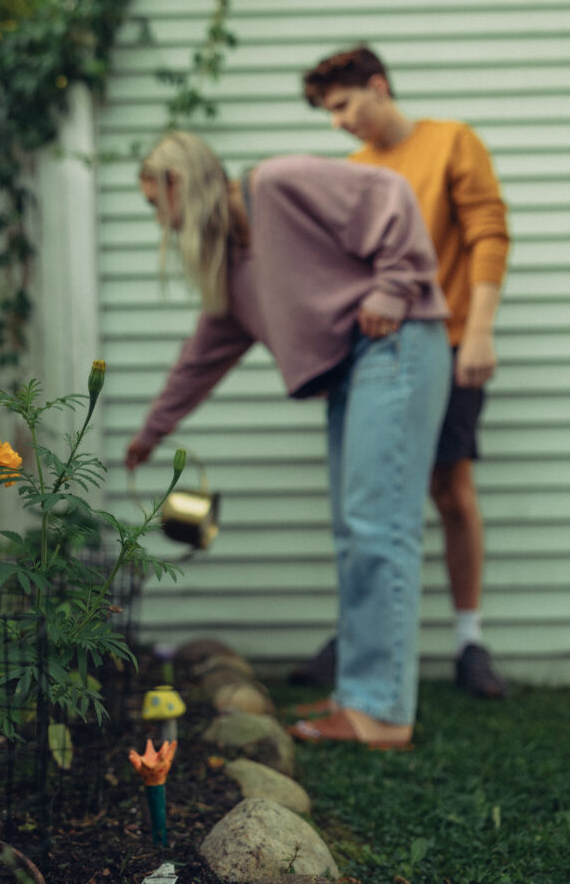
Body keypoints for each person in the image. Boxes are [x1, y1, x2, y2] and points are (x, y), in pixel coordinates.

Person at [125, 130, 451, 748]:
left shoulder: (275, 184)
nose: (159, 220)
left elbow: (389, 193)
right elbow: (203, 356)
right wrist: (150, 434)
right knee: (356, 530)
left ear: (179, 183)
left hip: (397, 344)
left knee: (380, 526)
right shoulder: (234, 264)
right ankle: (361, 693)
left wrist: (390, 286)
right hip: (354, 368)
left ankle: (381, 713)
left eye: (153, 202)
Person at [299, 44, 511, 698]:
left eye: (341, 106)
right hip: (378, 359)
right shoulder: (353, 170)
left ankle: (469, 642)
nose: (337, 122)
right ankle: (359, 637)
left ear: (378, 87)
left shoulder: (451, 142)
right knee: (368, 504)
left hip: (446, 345)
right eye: (327, 113)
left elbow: (486, 233)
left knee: (449, 493)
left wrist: (475, 333)